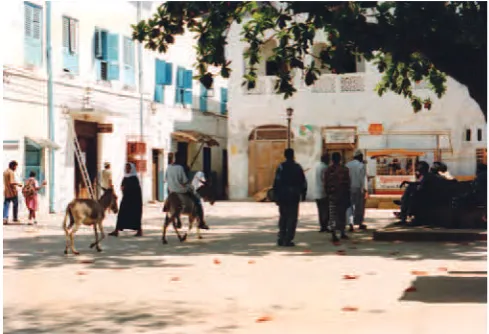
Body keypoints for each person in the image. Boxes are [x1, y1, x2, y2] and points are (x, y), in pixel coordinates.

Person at [272, 148, 307, 247]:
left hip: (283, 195)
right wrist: (303, 194)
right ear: (293, 155)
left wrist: (276, 195)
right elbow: (303, 182)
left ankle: (281, 237)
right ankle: (288, 239)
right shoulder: (297, 167)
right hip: (294, 195)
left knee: (283, 216)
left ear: (285, 155)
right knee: (292, 217)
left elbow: (276, 182)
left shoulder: (281, 167)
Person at [166, 152, 208, 229]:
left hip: (171, 190)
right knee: (198, 200)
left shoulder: (168, 167)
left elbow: (166, 179)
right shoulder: (180, 168)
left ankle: (168, 209)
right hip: (181, 190)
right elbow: (184, 181)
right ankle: (201, 222)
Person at [109, 163, 143, 237]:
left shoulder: (134, 178)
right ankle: (116, 230)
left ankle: (139, 231)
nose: (127, 170)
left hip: (134, 201)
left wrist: (126, 189)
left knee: (135, 215)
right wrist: (123, 188)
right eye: (126, 168)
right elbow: (123, 186)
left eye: (128, 168)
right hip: (126, 199)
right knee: (121, 214)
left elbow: (136, 190)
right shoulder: (125, 177)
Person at [324, 152, 351, 242]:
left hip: (332, 195)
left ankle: (334, 233)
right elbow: (348, 184)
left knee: (333, 214)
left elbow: (325, 183)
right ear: (340, 159)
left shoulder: (328, 170)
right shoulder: (344, 169)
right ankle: (342, 232)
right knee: (341, 214)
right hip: (342, 195)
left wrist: (328, 193)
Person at [345, 150, 367, 231]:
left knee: (350, 207)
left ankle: (350, 224)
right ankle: (359, 223)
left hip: (349, 188)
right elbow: (362, 179)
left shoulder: (347, 165)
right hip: (358, 188)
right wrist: (364, 189)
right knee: (359, 207)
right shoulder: (361, 165)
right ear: (360, 157)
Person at [3, 161, 23, 225]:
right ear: (13, 166)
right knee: (15, 205)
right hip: (12, 192)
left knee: (6, 205)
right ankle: (15, 218)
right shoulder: (11, 172)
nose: (16, 168)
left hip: (6, 191)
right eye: (15, 166)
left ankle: (4, 218)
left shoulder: (5, 172)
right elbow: (11, 182)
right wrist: (18, 184)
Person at [314, 154, 329, 232]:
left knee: (320, 210)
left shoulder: (317, 166)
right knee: (325, 210)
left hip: (316, 192)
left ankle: (322, 225)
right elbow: (325, 180)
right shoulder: (325, 168)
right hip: (323, 192)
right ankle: (325, 226)